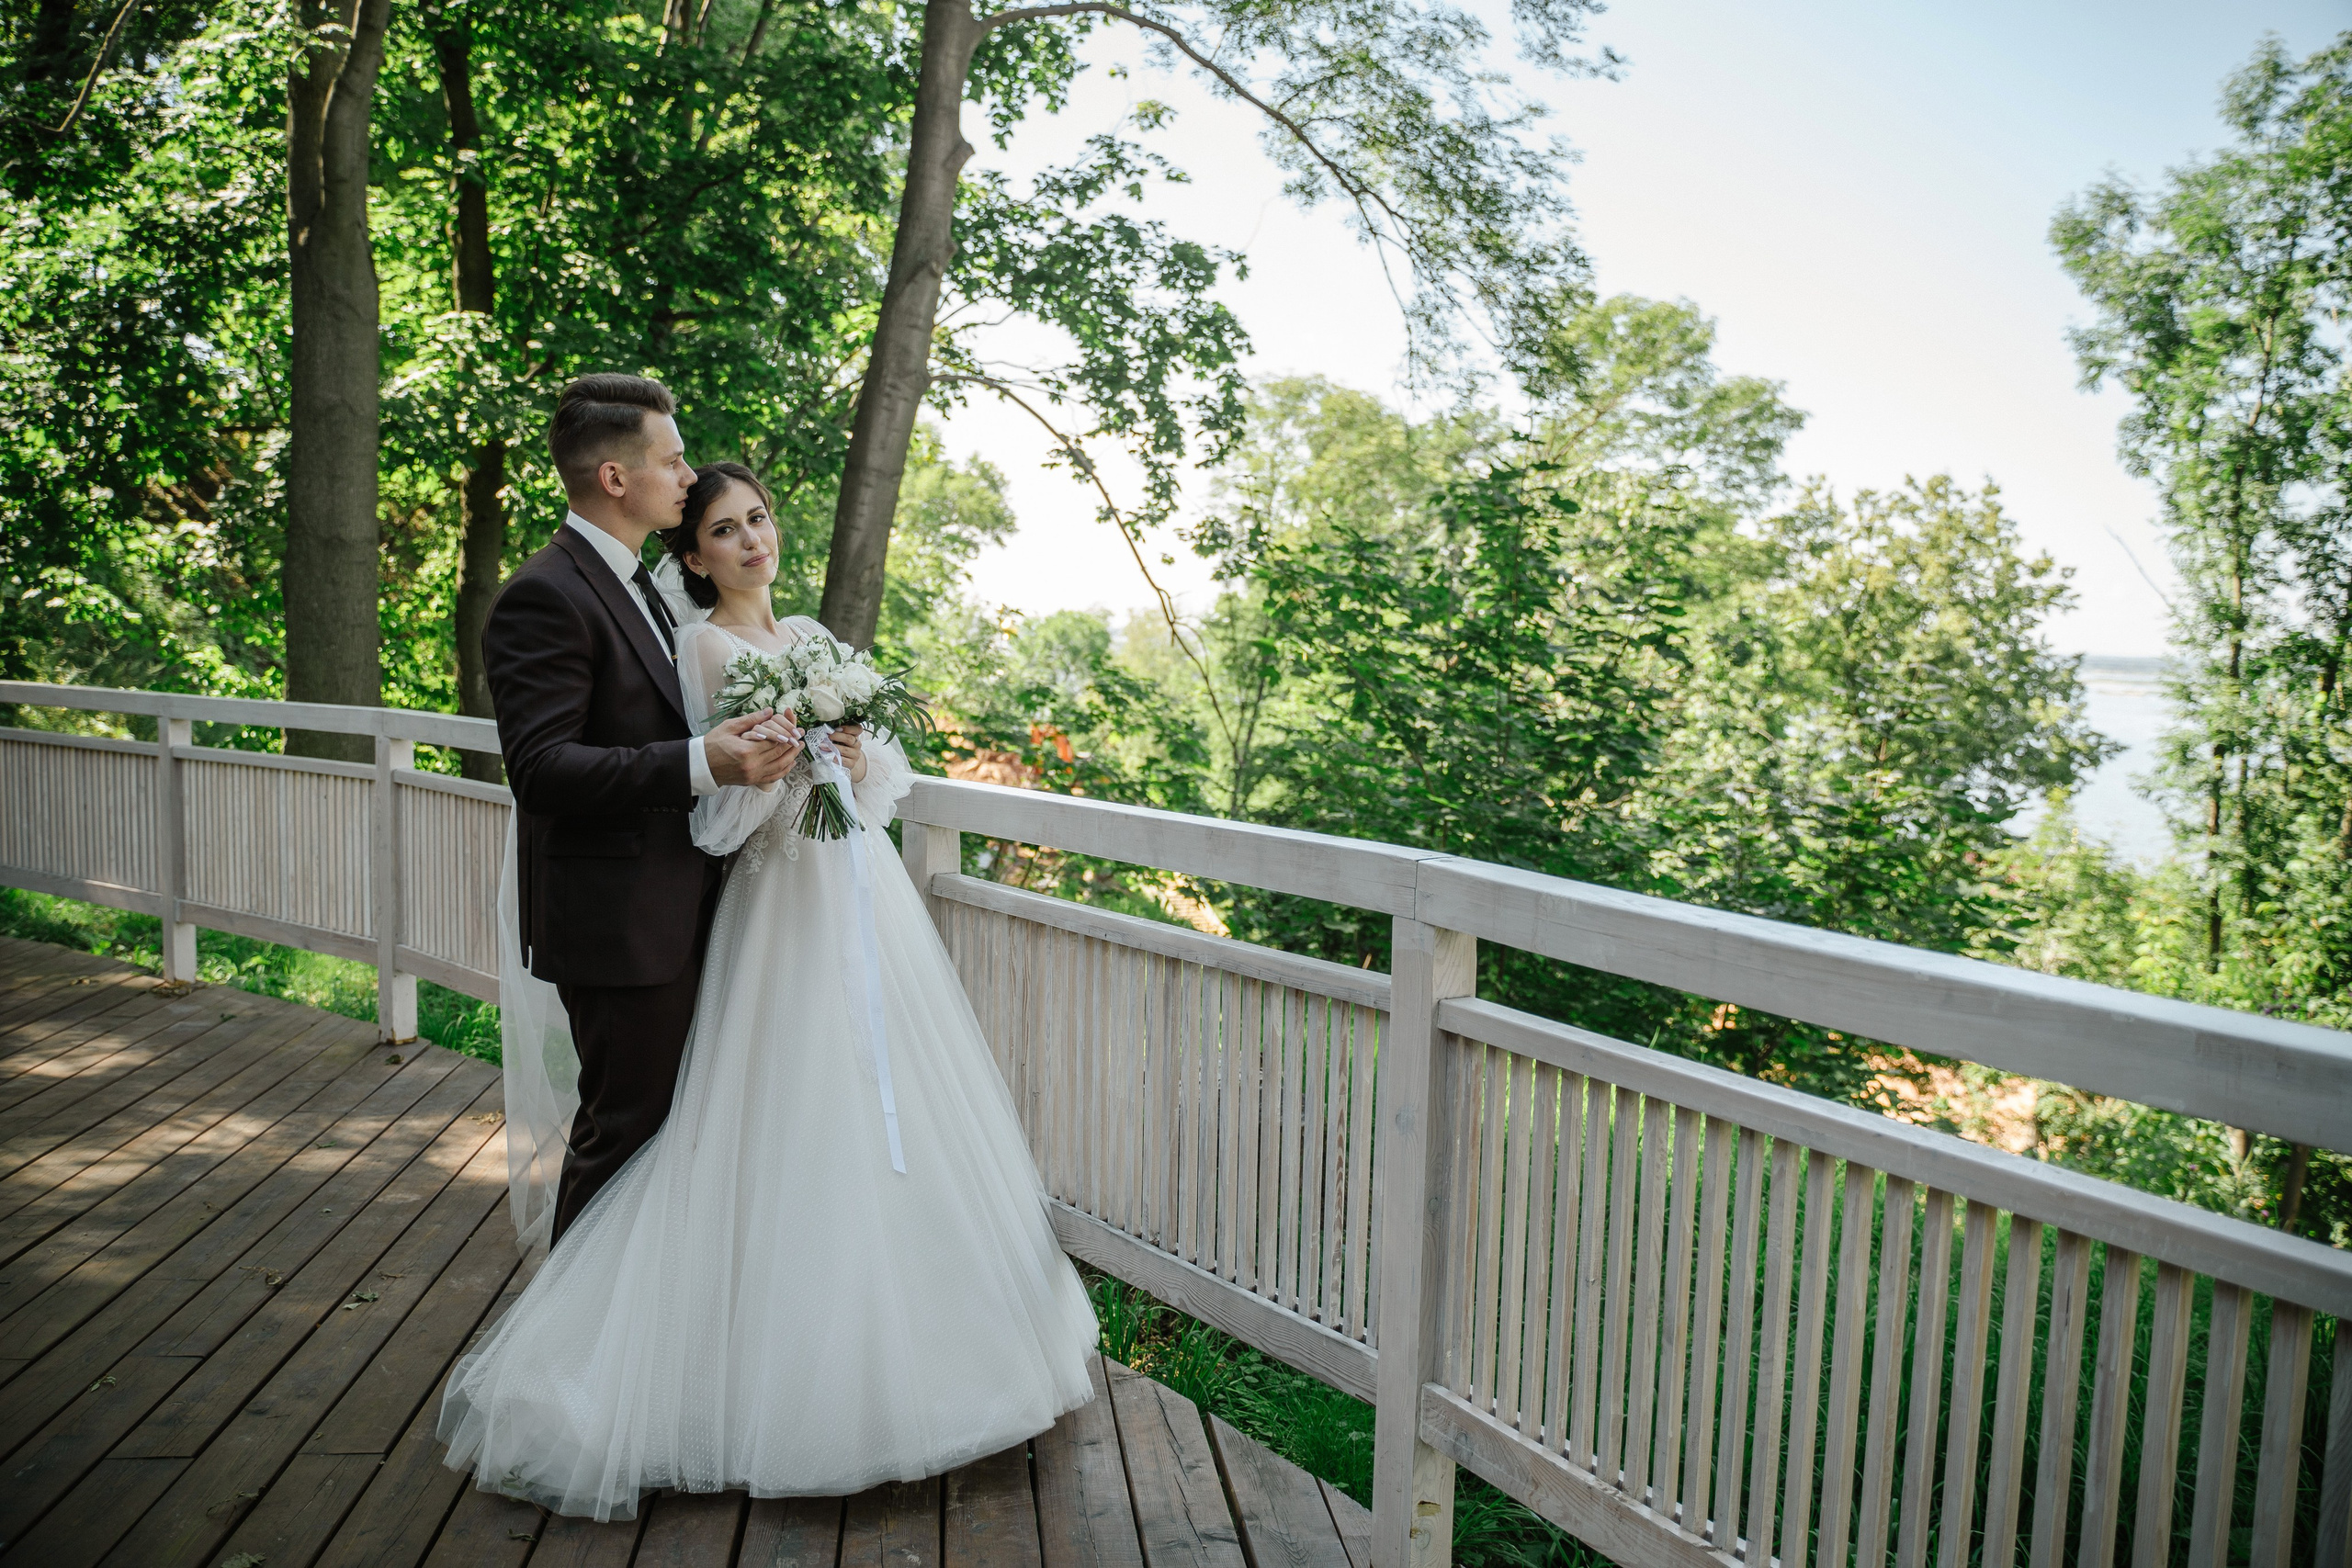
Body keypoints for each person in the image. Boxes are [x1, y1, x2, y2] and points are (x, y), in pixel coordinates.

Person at [439, 458, 1097, 1519]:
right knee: (778, 1116)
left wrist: (846, 752)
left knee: (894, 1115)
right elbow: (712, 815)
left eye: (760, 520)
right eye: (726, 530)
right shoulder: (700, 648)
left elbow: (885, 793)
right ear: (692, 556)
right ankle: (729, 1375)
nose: (753, 541)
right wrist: (777, 768)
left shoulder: (821, 646)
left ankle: (932, 1355)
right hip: (773, 905)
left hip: (862, 898)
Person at [480, 374, 802, 1248]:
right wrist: (706, 760)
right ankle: (563, 1364)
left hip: (678, 904)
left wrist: (726, 742)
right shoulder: (545, 594)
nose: (688, 474)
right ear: (617, 478)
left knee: (662, 1133)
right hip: (619, 925)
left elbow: (647, 722)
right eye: (671, 458)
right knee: (623, 1133)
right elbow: (543, 768)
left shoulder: (634, 584)